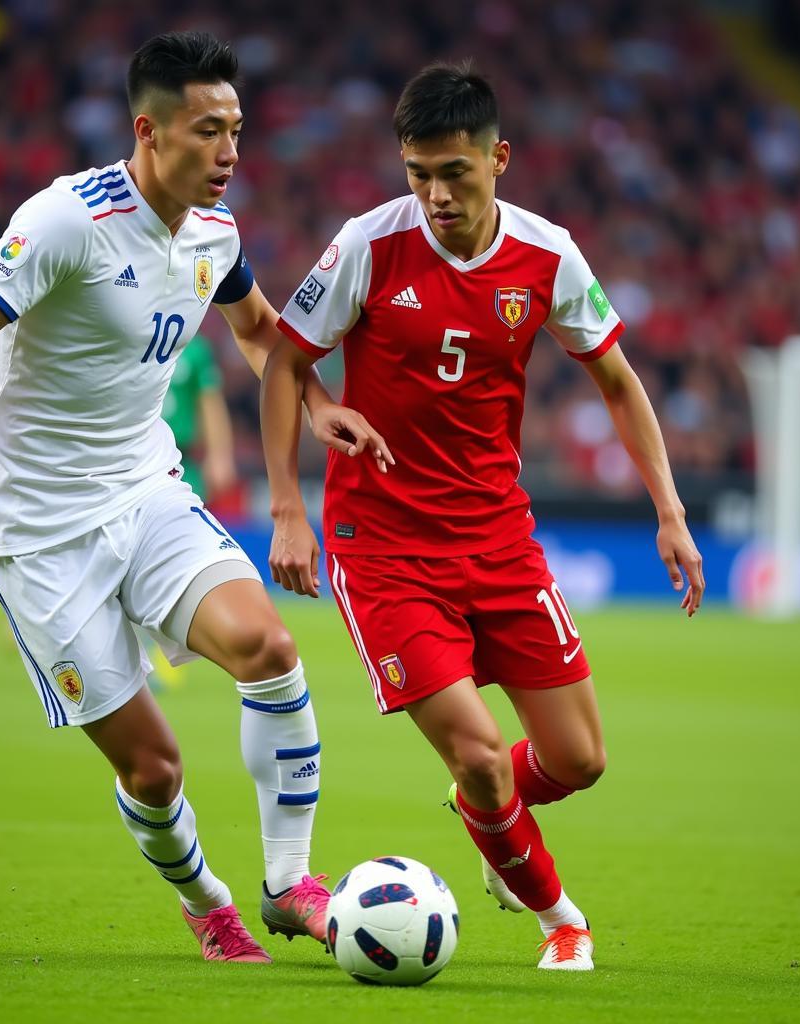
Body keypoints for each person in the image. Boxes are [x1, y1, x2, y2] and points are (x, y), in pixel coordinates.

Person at [0, 31, 381, 965]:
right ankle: (208, 904)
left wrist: (317, 403)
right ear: (149, 131)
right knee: (155, 770)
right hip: (37, 534)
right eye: (208, 131)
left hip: (146, 487)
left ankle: (288, 886)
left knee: (269, 648)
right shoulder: (68, 220)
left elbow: (260, 327)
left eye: (236, 129)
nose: (230, 151)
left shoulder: (216, 231)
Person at [260, 62, 705, 972]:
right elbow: (282, 360)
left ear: (498, 159)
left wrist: (669, 508)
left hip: (499, 540)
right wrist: (288, 510)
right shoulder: (369, 245)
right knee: (481, 754)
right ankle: (560, 920)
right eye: (417, 172)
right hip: (382, 549)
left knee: (578, 760)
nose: (433, 193)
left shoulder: (547, 255)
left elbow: (616, 380)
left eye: (453, 172)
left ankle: (486, 813)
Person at [160, 332, 237, 505]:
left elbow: (210, 401)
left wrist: (219, 455)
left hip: (180, 459)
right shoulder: (132, 339)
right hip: (135, 452)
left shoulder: (195, 347)